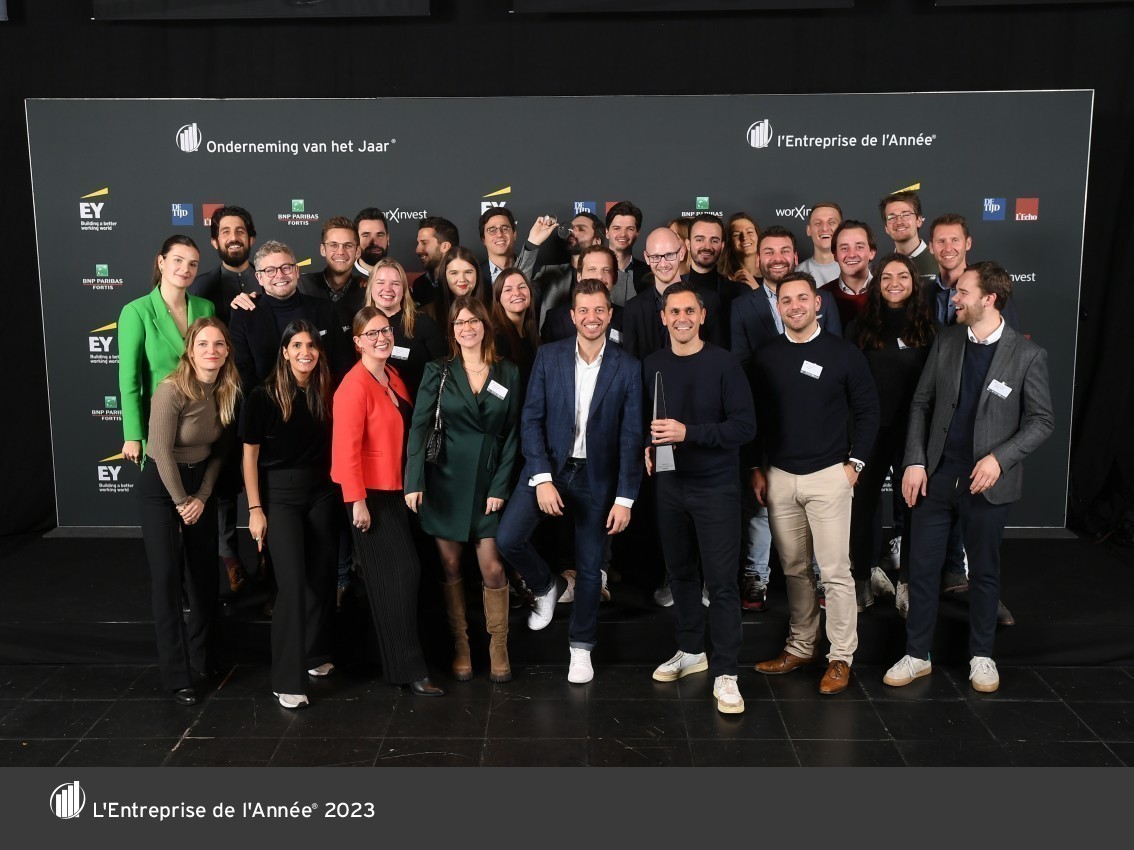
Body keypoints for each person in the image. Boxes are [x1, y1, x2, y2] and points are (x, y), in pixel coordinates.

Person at [884, 261, 1054, 694]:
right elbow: (921, 403)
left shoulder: (1028, 355)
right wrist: (915, 461)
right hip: (937, 477)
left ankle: (982, 656)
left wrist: (1000, 459)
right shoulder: (948, 340)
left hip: (988, 484)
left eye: (962, 292)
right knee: (922, 570)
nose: (954, 298)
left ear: (989, 299)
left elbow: (1041, 421)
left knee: (983, 572)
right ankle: (917, 654)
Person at [496, 278, 643, 684]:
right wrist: (542, 477)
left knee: (591, 568)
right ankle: (546, 586)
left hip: (598, 477)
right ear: (572, 315)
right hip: (551, 468)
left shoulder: (629, 367)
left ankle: (581, 646)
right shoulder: (549, 356)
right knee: (508, 539)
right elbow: (531, 419)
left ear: (609, 315)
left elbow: (632, 438)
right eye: (584, 310)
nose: (591, 317)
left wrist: (625, 498)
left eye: (599, 310)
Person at [750, 271, 879, 695]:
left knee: (836, 572)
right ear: (778, 307)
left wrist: (854, 466)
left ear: (817, 303)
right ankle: (802, 646)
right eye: (786, 300)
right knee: (794, 569)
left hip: (830, 475)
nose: (794, 306)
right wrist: (756, 468)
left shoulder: (844, 354)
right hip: (780, 476)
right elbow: (755, 420)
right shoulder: (766, 356)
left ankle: (840, 657)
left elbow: (868, 411)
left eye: (802, 298)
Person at [645, 283, 756, 715]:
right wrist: (646, 446)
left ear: (702, 315)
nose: (682, 318)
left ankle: (727, 673)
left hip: (716, 487)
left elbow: (744, 427)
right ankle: (692, 650)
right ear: (663, 317)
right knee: (680, 574)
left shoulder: (724, 363)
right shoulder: (652, 364)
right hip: (670, 485)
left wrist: (688, 433)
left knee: (722, 583)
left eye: (689, 310)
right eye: (674, 311)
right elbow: (646, 423)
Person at [405, 297, 521, 683]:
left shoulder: (508, 372)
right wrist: (414, 480)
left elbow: (512, 435)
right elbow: (419, 426)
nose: (467, 328)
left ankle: (499, 645)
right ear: (451, 330)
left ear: (485, 325)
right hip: (444, 480)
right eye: (459, 322)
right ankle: (461, 645)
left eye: (473, 321)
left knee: (493, 567)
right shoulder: (437, 370)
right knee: (451, 566)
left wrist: (501, 485)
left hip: (488, 480)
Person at [331, 307, 445, 697]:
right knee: (401, 573)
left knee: (393, 579)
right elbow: (344, 452)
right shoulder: (353, 386)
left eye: (385, 330)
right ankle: (408, 669)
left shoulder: (392, 375)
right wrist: (357, 502)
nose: (382, 338)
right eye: (372, 333)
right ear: (357, 342)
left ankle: (391, 662)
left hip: (398, 489)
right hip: (370, 495)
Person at [136, 317, 239, 705]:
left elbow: (221, 452)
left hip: (199, 485)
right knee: (167, 578)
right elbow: (161, 452)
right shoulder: (171, 389)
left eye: (219, 344)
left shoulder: (228, 388)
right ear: (190, 351)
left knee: (204, 576)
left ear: (227, 351)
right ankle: (177, 675)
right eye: (203, 344)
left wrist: (202, 496)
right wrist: (182, 502)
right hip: (162, 487)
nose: (211, 351)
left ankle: (203, 657)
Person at [241, 320, 338, 709]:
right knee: (293, 584)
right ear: (284, 352)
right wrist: (255, 509)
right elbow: (249, 457)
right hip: (280, 495)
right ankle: (286, 679)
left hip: (322, 491)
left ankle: (314, 654)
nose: (305, 352)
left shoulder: (324, 391)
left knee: (321, 577)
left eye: (311, 345)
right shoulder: (262, 396)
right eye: (297, 345)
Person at [844, 254, 936, 614]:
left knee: (914, 507)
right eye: (886, 277)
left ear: (915, 282)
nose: (894, 283)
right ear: (877, 283)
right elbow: (850, 386)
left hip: (914, 432)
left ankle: (907, 583)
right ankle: (863, 580)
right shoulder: (859, 328)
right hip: (871, 431)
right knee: (862, 507)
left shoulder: (929, 329)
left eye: (902, 276)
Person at [189, 207, 259, 595]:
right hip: (220, 401)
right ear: (215, 240)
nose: (234, 237)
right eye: (225, 231)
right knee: (222, 487)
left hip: (264, 397)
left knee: (268, 482)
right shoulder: (201, 289)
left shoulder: (268, 278)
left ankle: (270, 561)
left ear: (251, 237)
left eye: (240, 231)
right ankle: (230, 560)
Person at [119, 235, 215, 467]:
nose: (186, 269)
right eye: (178, 260)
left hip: (200, 422)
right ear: (161, 262)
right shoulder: (136, 311)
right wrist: (133, 435)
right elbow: (130, 380)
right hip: (160, 421)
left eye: (193, 264)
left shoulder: (206, 308)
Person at [365, 257, 446, 401]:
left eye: (395, 283)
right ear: (370, 286)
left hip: (418, 408)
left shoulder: (423, 324)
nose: (387, 289)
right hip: (374, 407)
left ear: (404, 289)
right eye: (381, 282)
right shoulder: (360, 325)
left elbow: (445, 373)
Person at [298, 216, 367, 332]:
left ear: (358, 251)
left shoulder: (367, 291)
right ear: (323, 250)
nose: (340, 252)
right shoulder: (302, 286)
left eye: (348, 245)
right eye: (333, 245)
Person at [490, 266, 541, 395]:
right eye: (508, 290)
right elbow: (493, 388)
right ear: (498, 298)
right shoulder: (496, 338)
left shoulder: (530, 333)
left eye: (522, 287)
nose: (517, 293)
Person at [819, 220, 878, 329]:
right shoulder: (822, 296)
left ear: (872, 253)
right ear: (835, 255)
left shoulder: (886, 292)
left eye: (859, 247)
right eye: (844, 248)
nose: (851, 254)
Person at [424, 246, 490, 325]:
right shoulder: (428, 313)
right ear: (444, 276)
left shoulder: (493, 308)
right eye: (454, 273)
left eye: (468, 272)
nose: (462, 279)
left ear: (477, 274)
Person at [879, 190, 937, 280]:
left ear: (919, 221)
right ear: (886, 227)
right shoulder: (883, 268)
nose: (899, 222)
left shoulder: (940, 260)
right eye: (891, 217)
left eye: (906, 215)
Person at [606, 200, 651, 306]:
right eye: (617, 228)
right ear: (607, 232)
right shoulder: (592, 271)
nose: (623, 234)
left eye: (630, 229)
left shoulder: (648, 273)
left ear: (637, 233)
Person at [411, 216, 459, 308]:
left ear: (444, 247)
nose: (418, 250)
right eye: (418, 243)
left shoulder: (463, 282)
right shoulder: (419, 284)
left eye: (424, 243)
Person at [796, 202, 843, 285]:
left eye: (831, 222)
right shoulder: (797, 273)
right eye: (817, 223)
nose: (824, 228)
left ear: (842, 229)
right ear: (809, 230)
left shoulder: (857, 270)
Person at [719, 212, 760, 291]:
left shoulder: (772, 275)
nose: (744, 238)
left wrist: (757, 290)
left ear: (758, 236)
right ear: (729, 242)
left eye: (750, 232)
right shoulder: (720, 281)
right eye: (736, 235)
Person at [354, 207, 390, 279]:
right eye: (366, 235)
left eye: (380, 235)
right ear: (355, 240)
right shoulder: (344, 280)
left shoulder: (398, 277)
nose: (374, 242)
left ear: (388, 239)